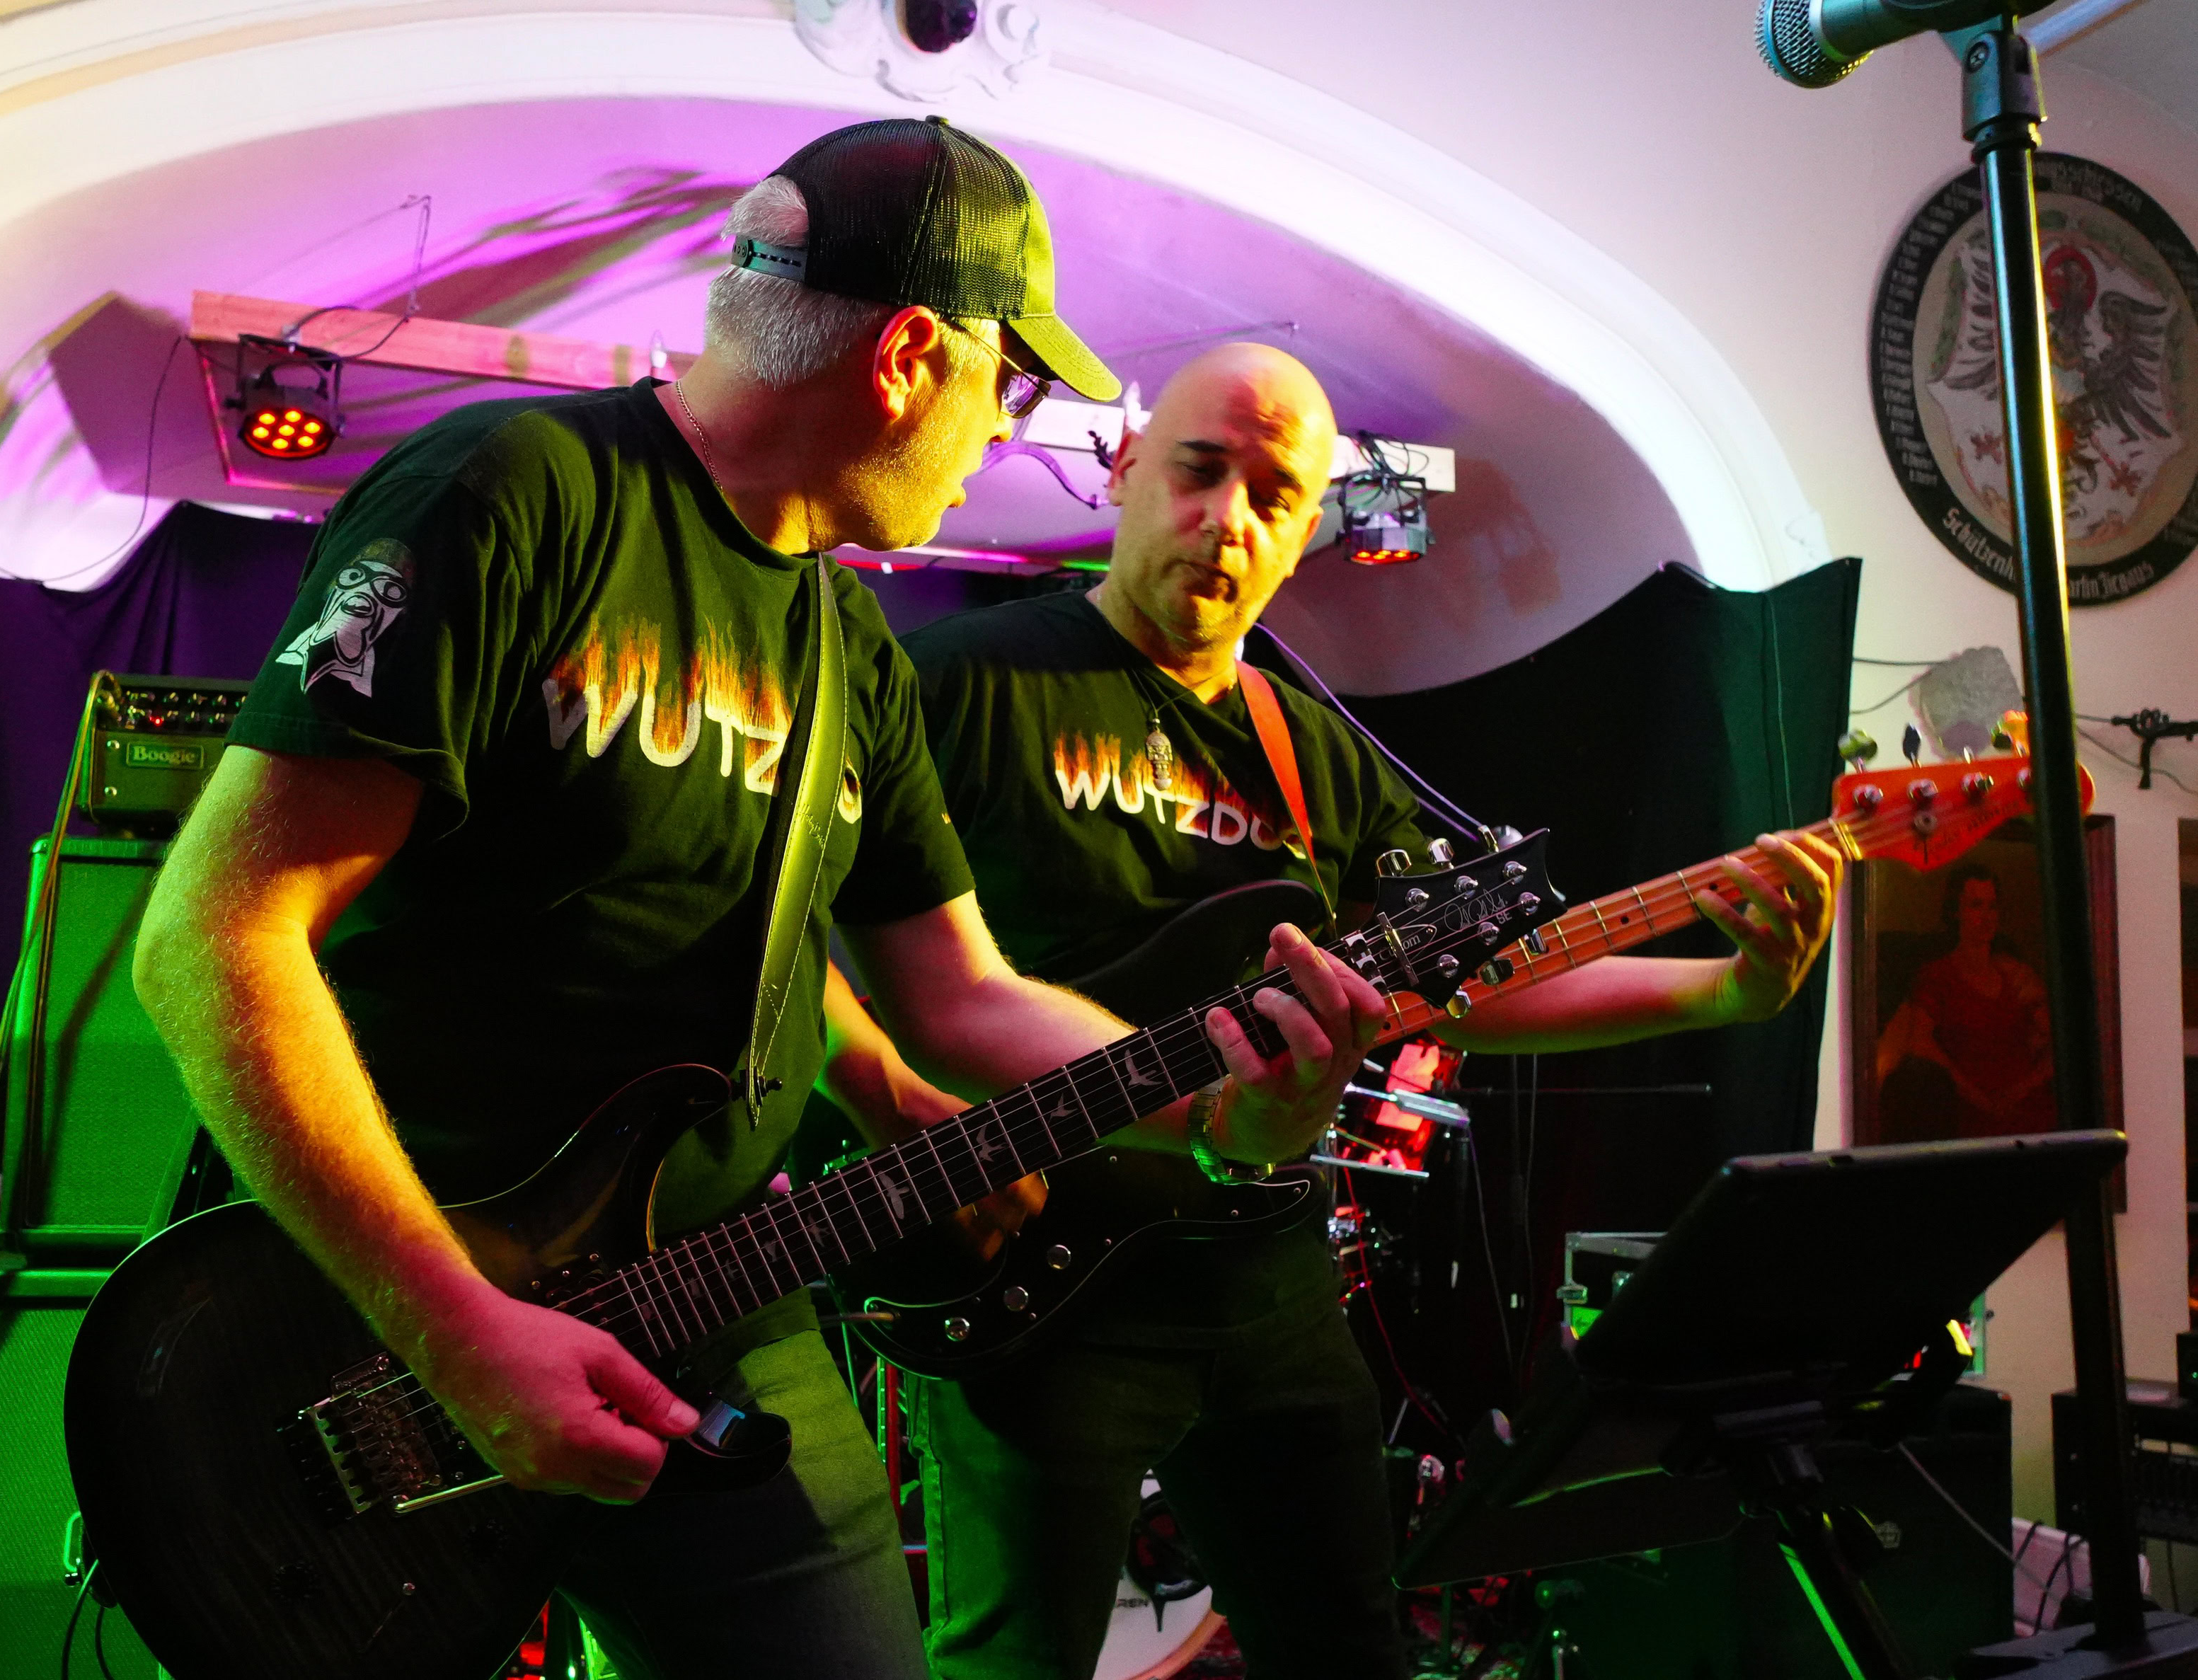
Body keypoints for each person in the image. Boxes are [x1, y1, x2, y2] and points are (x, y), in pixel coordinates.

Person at [131, 122, 1386, 1680]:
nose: (1003, 438)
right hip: (373, 1317)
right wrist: (452, 1323)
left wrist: (1199, 1096)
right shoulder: (514, 493)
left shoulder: (851, 649)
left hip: (712, 1295)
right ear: (910, 357)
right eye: (1007, 387)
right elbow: (214, 932)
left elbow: (961, 990)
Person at [817, 342, 1844, 1679]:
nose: (1226, 520)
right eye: (1197, 469)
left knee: (1348, 1649)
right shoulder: (959, 678)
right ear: (1124, 467)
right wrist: (884, 1090)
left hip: (1264, 1277)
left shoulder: (1311, 748)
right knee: (1018, 1663)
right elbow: (785, 918)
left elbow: (1468, 986)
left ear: (1308, 530)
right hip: (1037, 1277)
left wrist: (1724, 985)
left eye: (1272, 496)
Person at [1875, 861, 2053, 1139]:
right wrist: (1982, 1100)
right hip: (1971, 1114)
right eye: (1976, 906)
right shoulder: (1938, 976)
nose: (1986, 917)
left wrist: (2022, 1090)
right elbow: (1920, 1043)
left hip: (2029, 1110)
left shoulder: (2016, 974)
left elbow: (2057, 1044)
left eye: (1992, 907)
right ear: (1956, 912)